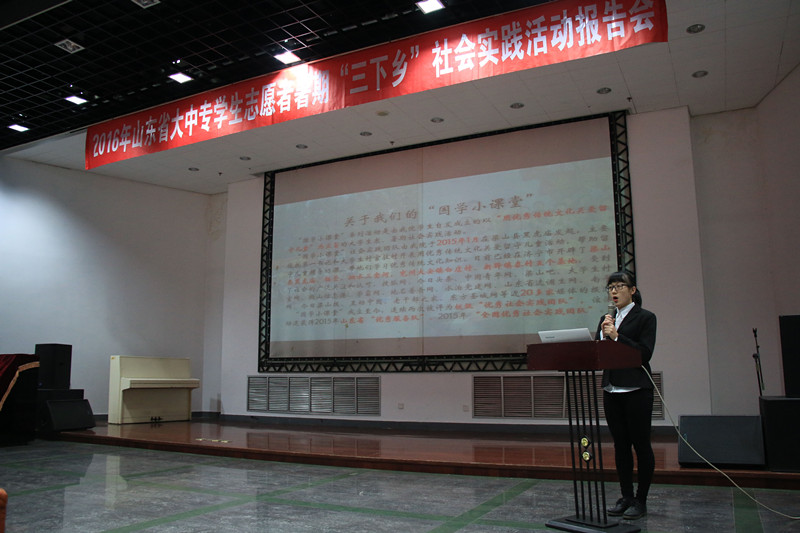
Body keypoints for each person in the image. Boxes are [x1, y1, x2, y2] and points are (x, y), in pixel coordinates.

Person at [595, 270, 657, 520]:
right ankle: (626, 497)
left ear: (632, 290)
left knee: (641, 445)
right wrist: (603, 335)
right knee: (620, 446)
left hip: (636, 390)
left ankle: (641, 500)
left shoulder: (646, 317)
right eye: (611, 287)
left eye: (620, 286)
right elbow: (599, 354)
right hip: (612, 389)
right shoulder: (606, 318)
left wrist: (617, 336)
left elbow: (644, 353)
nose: (614, 291)